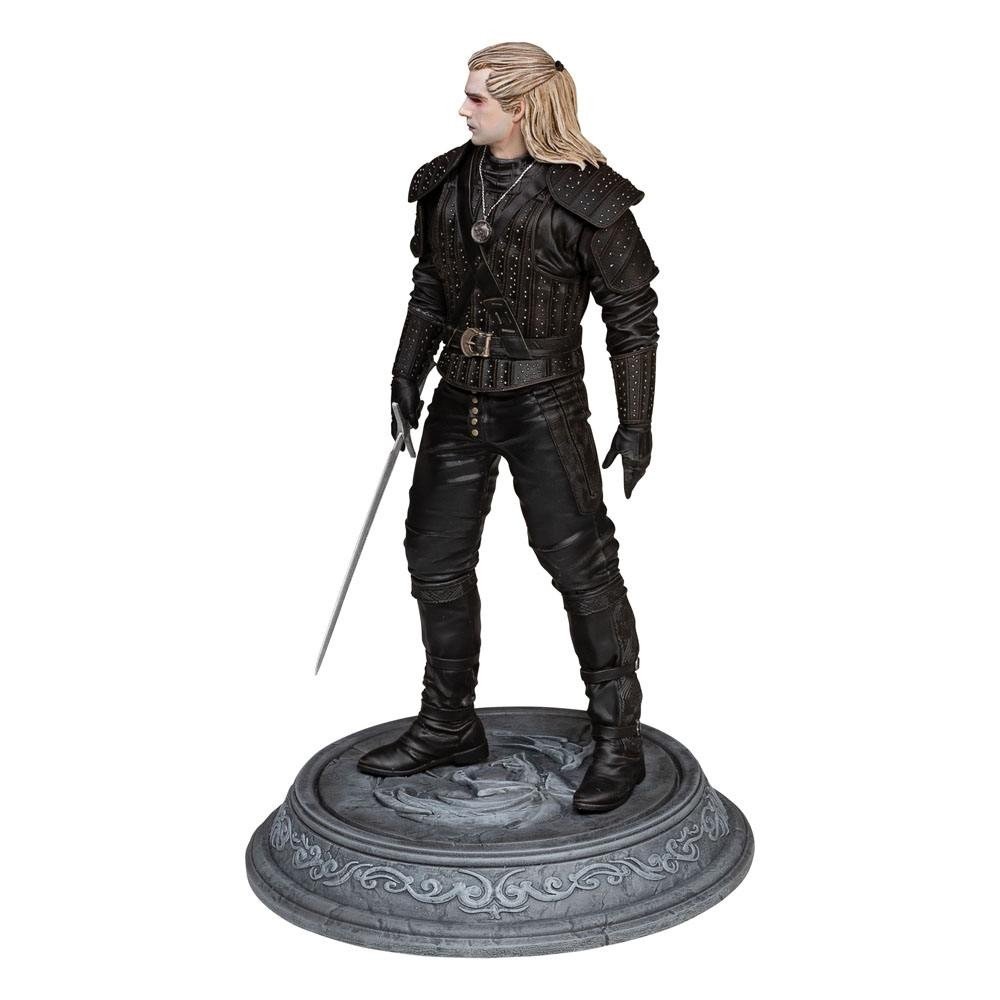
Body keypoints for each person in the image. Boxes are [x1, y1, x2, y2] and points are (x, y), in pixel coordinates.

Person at [357, 42, 659, 814]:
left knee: (582, 566)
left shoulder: (588, 197)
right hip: (459, 392)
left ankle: (618, 740)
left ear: (520, 108)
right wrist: (405, 372)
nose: (463, 109)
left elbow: (632, 315)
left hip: (544, 399)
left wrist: (636, 420)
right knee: (434, 557)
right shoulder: (446, 182)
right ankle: (448, 723)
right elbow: (431, 286)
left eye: (478, 98)